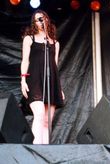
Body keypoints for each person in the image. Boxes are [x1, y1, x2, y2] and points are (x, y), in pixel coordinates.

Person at [21, 10, 64, 144]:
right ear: (34, 23)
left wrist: (60, 88)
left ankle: (45, 152)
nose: (40, 21)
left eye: (42, 18)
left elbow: (55, 66)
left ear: (47, 20)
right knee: (39, 115)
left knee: (47, 121)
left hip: (51, 81)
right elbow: (25, 60)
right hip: (34, 80)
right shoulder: (29, 39)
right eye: (37, 19)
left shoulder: (55, 43)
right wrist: (23, 80)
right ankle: (36, 152)